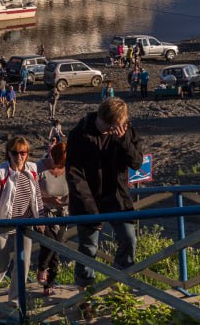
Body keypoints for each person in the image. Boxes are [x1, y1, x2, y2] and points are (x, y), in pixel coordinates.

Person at [67, 97, 144, 291]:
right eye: (111, 127)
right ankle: (84, 293)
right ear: (103, 118)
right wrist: (89, 207)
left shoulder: (125, 131)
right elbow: (74, 174)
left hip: (117, 196)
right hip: (88, 198)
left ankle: (119, 283)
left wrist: (123, 140)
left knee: (129, 238)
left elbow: (136, 163)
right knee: (88, 246)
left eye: (118, 126)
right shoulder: (79, 134)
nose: (113, 130)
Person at [0, 136, 43, 301]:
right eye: (15, 153)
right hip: (2, 221)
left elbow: (37, 195)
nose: (19, 156)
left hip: (24, 222)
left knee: (23, 261)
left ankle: (15, 299)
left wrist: (41, 218)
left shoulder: (31, 169)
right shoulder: (0, 172)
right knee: (1, 261)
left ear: (27, 153)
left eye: (23, 152)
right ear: (8, 154)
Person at [36, 141, 69, 296]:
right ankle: (42, 268)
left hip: (62, 213)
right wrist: (48, 200)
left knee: (57, 247)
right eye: (58, 161)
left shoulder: (70, 170)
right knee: (50, 243)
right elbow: (31, 194)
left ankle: (50, 284)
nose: (58, 165)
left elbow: (75, 191)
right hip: (44, 212)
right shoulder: (40, 168)